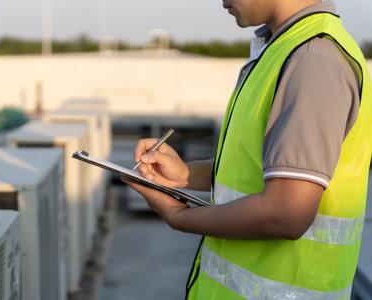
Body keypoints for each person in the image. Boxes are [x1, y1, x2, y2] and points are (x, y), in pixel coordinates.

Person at [124, 0, 372, 299]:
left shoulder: (312, 59)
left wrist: (180, 217)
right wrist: (186, 175)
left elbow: (287, 212)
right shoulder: (286, 48)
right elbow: (258, 166)